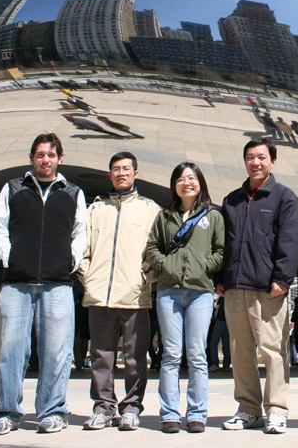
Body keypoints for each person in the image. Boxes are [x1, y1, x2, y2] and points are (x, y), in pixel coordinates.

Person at [0, 133, 87, 435]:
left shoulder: (72, 192)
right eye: (40, 155)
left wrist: (72, 259)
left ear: (60, 158)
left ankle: (53, 410)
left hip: (57, 284)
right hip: (17, 282)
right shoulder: (14, 188)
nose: (46, 160)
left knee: (57, 351)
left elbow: (80, 231)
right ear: (32, 158)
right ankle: (7, 411)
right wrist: (8, 258)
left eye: (51, 155)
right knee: (10, 351)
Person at [217, 140, 298, 434]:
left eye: (262, 157)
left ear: (273, 161)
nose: (256, 162)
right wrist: (221, 278)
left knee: (273, 350)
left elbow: (291, 242)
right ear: (244, 161)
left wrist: (282, 278)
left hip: (268, 289)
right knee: (240, 351)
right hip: (234, 288)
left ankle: (277, 410)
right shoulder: (231, 201)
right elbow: (223, 244)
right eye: (250, 157)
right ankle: (247, 408)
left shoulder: (284, 198)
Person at [78, 152, 161, 431]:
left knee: (136, 357)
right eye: (116, 169)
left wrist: (145, 278)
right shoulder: (96, 209)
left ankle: (131, 407)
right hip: (100, 295)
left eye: (126, 169)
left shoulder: (150, 209)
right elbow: (81, 249)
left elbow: (158, 250)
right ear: (109, 174)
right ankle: (103, 407)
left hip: (135, 297)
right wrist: (87, 278)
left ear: (136, 173)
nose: (121, 173)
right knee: (101, 355)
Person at [146, 162, 224, 433]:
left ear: (200, 182)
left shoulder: (213, 216)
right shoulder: (164, 216)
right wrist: (167, 265)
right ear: (174, 185)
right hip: (168, 291)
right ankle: (169, 413)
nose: (186, 182)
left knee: (197, 355)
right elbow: (152, 247)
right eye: (180, 178)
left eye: (191, 178)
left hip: (200, 293)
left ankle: (197, 414)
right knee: (170, 354)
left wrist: (205, 265)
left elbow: (221, 250)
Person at [208, 297, 230, 371]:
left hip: (220, 321)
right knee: (226, 344)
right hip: (227, 321)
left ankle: (215, 363)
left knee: (213, 344)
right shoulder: (226, 296)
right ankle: (226, 365)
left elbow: (219, 310)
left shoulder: (220, 298)